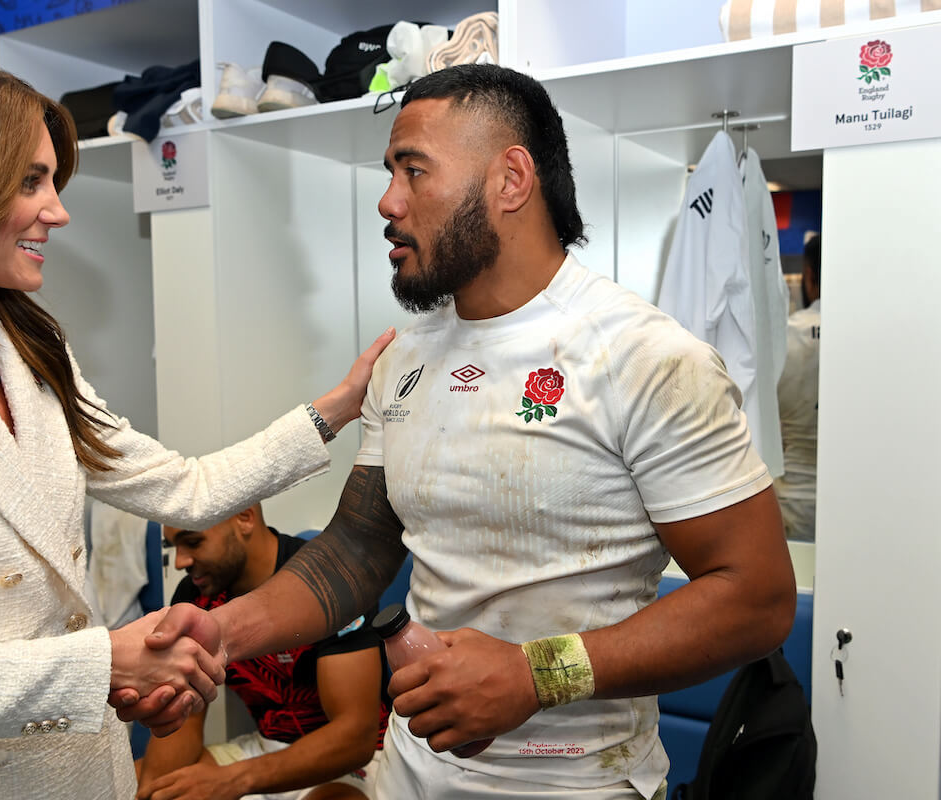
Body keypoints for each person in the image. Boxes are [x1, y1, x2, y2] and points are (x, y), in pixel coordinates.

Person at [124, 64, 797, 800]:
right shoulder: (406, 359)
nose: (388, 201)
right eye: (390, 172)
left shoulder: (646, 359)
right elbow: (356, 550)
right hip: (412, 770)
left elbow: (756, 599)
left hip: (575, 781)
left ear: (511, 180)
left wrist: (536, 673)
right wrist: (221, 637)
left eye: (414, 171)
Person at [0, 46, 392, 799]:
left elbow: (183, 486)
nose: (59, 209)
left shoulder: (24, 346)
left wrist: (338, 407)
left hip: (88, 771)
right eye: (30, 181)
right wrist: (103, 664)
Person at [135, 504, 388, 800]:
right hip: (262, 748)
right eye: (174, 546)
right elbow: (185, 717)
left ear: (245, 518)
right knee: (139, 781)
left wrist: (233, 781)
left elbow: (355, 736)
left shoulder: (332, 581)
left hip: (352, 761)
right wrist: (154, 789)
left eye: (193, 542)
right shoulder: (195, 597)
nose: (180, 561)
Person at [774, 235, 822, 541]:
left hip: (791, 501)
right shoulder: (876, 342)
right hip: (862, 498)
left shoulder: (784, 336)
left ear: (809, 274)